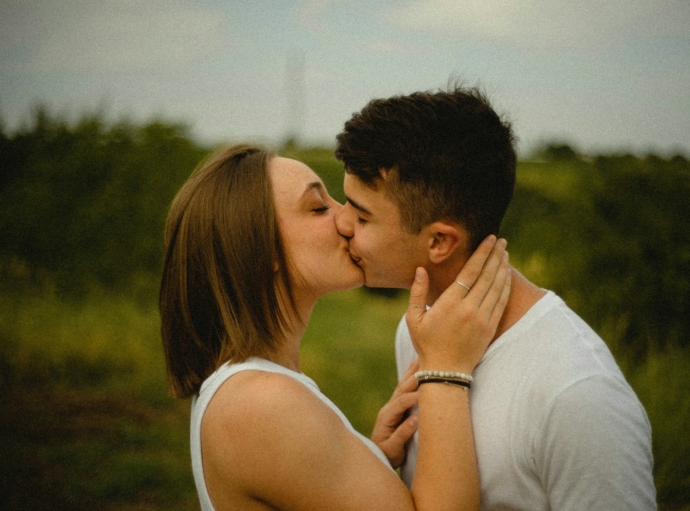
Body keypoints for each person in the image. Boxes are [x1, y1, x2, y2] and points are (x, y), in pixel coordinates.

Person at [334, 85, 657, 510]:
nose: (341, 222)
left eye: (361, 215)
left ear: (439, 242)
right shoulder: (419, 329)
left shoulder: (579, 396)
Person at [159, 144, 512, 511]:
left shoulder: (248, 387)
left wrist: (364, 460)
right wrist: (446, 368)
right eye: (318, 207)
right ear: (264, 251)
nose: (346, 220)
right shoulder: (261, 403)